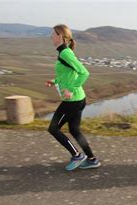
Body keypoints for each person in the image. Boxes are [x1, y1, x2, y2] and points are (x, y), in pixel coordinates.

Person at [46, 24, 100, 171]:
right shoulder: (64, 52)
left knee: (53, 129)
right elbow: (67, 74)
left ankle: (77, 155)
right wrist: (55, 81)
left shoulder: (65, 53)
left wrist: (70, 89)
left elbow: (84, 72)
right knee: (75, 130)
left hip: (72, 101)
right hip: (78, 99)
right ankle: (92, 159)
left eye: (53, 34)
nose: (51, 36)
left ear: (61, 37)